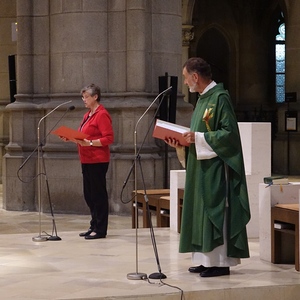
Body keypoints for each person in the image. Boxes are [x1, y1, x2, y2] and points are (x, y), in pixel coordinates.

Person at [165, 57, 251, 277]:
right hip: (201, 168)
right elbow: (198, 135)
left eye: (186, 78)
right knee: (200, 212)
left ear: (195, 77)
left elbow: (229, 135)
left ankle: (220, 263)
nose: (185, 83)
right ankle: (205, 259)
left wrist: (198, 137)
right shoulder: (203, 99)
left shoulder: (220, 98)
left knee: (214, 211)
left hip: (215, 170)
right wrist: (181, 141)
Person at [62, 83, 114, 240]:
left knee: (98, 195)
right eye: (82, 97)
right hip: (86, 159)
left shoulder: (102, 114)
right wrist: (71, 137)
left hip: (97, 160)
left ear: (95, 97)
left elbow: (108, 138)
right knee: (89, 195)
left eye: (86, 97)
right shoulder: (88, 115)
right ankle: (93, 225)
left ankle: (100, 229)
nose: (83, 100)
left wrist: (90, 143)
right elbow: (83, 137)